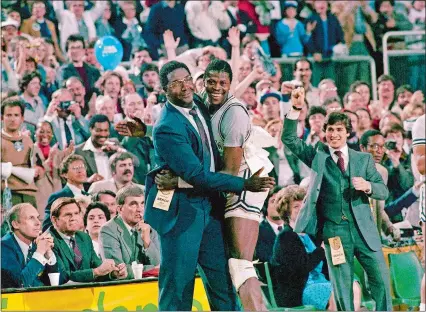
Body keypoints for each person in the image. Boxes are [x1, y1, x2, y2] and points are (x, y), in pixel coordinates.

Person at [116, 60, 275, 311]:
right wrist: (245, 184)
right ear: (165, 91)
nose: (185, 86)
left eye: (188, 79)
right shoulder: (167, 127)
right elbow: (198, 176)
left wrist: (144, 130)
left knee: (223, 285)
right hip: (182, 214)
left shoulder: (198, 102)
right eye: (176, 83)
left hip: (209, 210)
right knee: (178, 289)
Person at [282, 87, 392, 311]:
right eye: (330, 130)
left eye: (339, 129)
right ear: (324, 132)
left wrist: (368, 186)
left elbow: (383, 191)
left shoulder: (363, 160)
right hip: (335, 233)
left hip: (365, 232)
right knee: (342, 287)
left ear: (347, 132)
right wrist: (295, 108)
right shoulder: (317, 157)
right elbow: (289, 139)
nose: (334, 134)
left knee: (380, 280)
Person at [270, 185, 333, 310]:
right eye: (296, 206)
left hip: (321, 282)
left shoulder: (311, 235)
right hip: (301, 290)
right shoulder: (286, 237)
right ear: (287, 211)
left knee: (349, 286)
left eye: (303, 205)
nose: (301, 209)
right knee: (336, 295)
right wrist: (321, 250)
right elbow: (301, 268)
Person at [48, 197, 127, 284]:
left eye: (76, 213)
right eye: (68, 215)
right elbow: (63, 277)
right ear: (54, 220)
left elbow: (98, 266)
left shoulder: (84, 237)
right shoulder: (48, 241)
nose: (73, 218)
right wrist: (96, 272)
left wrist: (112, 273)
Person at [100, 185, 160, 279]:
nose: (140, 209)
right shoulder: (108, 230)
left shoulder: (149, 227)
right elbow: (119, 271)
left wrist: (147, 241)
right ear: (120, 209)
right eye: (133, 204)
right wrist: (150, 270)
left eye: (142, 203)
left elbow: (159, 265)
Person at [1, 203, 58, 288]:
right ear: (15, 224)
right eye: (31, 218)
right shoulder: (4, 247)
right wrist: (40, 252)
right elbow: (19, 285)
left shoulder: (37, 245)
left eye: (38, 218)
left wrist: (49, 256)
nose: (38, 223)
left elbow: (58, 282)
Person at [359, 129, 401, 240]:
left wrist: (389, 227)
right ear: (362, 148)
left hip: (373, 235)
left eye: (382, 147)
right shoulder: (350, 171)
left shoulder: (382, 172)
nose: (379, 151)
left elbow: (379, 208)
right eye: (375, 146)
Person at [1, 97, 40, 208]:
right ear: (1, 118)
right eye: (9, 115)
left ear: (22, 118)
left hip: (29, 194)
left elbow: (34, 167)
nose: (13, 119)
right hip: (7, 194)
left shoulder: (28, 140)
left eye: (16, 115)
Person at [33, 121, 74, 216]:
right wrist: (48, 160)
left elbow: (64, 172)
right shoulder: (31, 149)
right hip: (39, 199)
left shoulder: (56, 152)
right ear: (35, 133)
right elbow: (33, 174)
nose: (45, 135)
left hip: (56, 200)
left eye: (48, 132)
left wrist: (68, 153)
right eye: (42, 131)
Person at [42, 154, 91, 231]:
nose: (80, 171)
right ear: (64, 174)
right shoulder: (58, 197)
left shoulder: (90, 196)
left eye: (82, 167)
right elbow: (47, 227)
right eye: (75, 168)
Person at [75, 114, 124, 182]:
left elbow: (136, 163)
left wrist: (118, 149)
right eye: (99, 130)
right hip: (93, 191)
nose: (102, 134)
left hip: (117, 190)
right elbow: (71, 177)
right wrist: (87, 179)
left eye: (105, 130)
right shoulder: (79, 151)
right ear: (91, 129)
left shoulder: (114, 143)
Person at [255, 188, 284, 262]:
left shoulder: (294, 229)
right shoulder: (258, 231)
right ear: (265, 206)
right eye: (273, 201)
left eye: (280, 201)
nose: (278, 205)